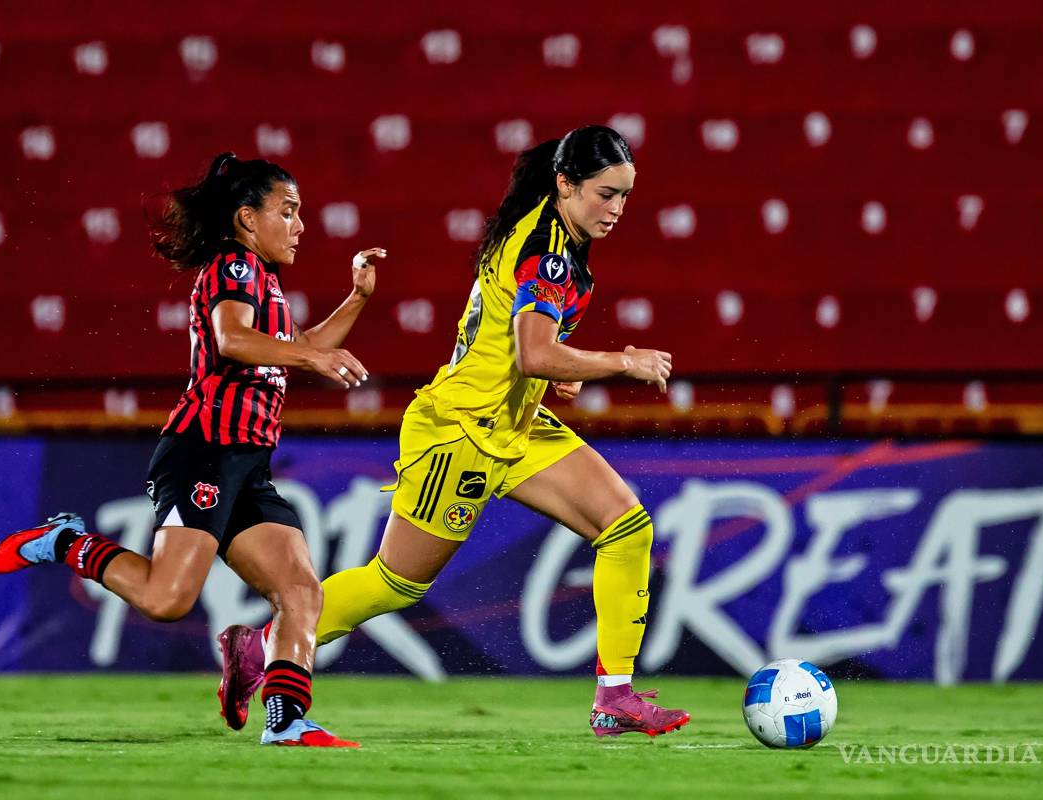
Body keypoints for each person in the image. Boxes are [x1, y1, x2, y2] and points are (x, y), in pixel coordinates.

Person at [218, 126, 690, 738]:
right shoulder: (546, 250)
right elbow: (533, 353)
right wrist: (618, 361)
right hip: (461, 432)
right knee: (394, 583)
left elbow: (518, 345)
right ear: (566, 184)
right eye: (605, 194)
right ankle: (258, 648)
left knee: (627, 527)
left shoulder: (559, 233)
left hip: (514, 425)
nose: (616, 210)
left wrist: (557, 373)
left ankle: (615, 698)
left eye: (625, 196)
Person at [0, 152, 385, 748]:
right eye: (289, 211)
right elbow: (234, 340)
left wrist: (355, 300)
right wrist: (309, 356)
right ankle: (64, 541)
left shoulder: (264, 279)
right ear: (248, 219)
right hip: (204, 450)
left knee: (302, 591)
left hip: (247, 462)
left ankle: (287, 723)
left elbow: (293, 347)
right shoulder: (233, 264)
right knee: (166, 599)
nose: (301, 225)